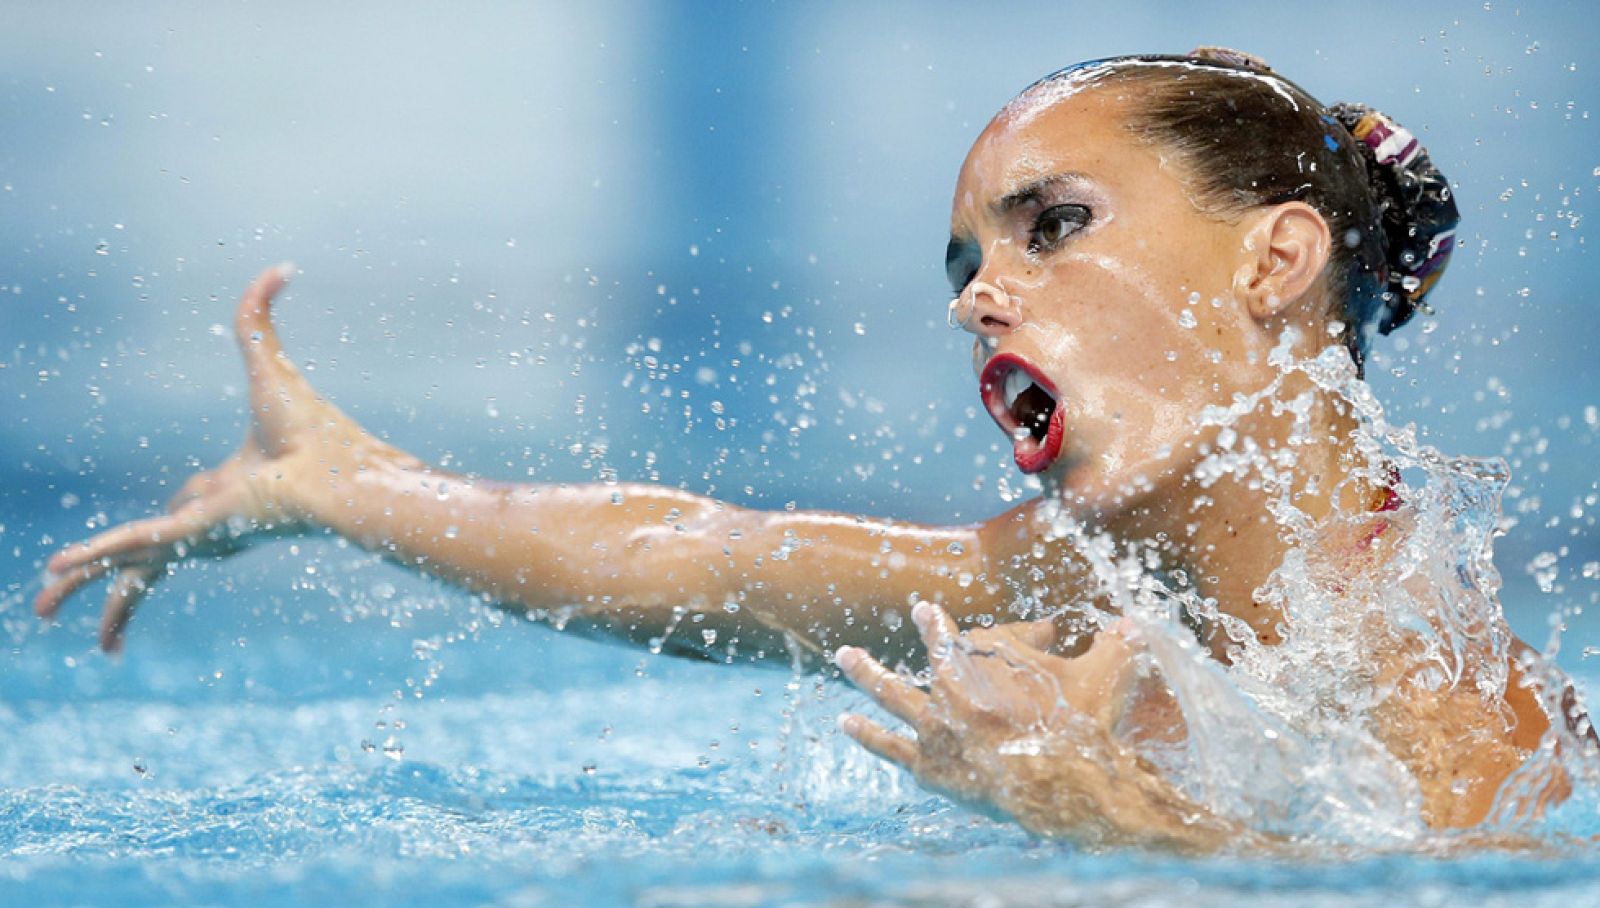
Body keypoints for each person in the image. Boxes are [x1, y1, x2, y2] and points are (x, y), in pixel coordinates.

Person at [36, 48, 1589, 849]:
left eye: (1055, 227)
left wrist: (1112, 820)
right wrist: (338, 485)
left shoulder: (1430, 677)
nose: (983, 295)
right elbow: (695, 558)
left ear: (1275, 263)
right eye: (966, 263)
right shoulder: (1084, 581)